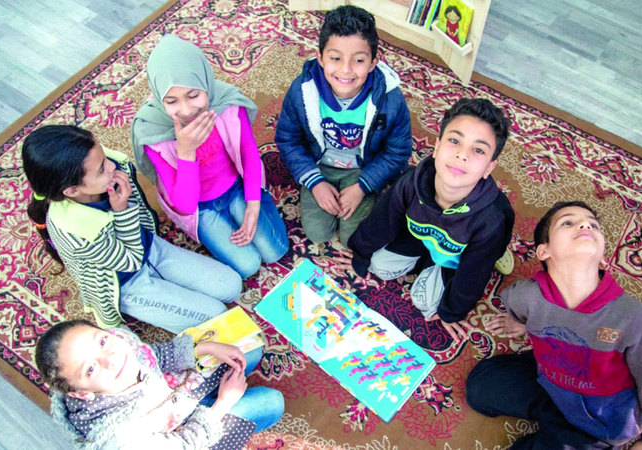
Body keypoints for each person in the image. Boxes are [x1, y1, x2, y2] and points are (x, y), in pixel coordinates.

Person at [467, 201, 642, 449]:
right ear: (544, 251)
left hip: (599, 420)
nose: (585, 225)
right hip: (551, 385)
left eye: (593, 225)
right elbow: (515, 307)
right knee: (479, 387)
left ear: (602, 259)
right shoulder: (525, 296)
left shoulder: (631, 317)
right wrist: (521, 324)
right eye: (568, 222)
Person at [23, 125, 241, 333]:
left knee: (231, 286)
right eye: (101, 169)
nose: (111, 166)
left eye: (104, 158)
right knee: (216, 314)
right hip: (125, 282)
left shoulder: (106, 167)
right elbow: (131, 261)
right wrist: (122, 211)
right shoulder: (75, 231)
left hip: (149, 247)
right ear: (72, 190)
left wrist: (137, 216)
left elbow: (141, 213)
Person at [337, 98, 514, 343]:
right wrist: (360, 253)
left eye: (478, 150)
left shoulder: (490, 220)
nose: (462, 154)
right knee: (378, 266)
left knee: (427, 303)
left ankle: (493, 253)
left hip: (457, 257)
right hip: (423, 235)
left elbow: (472, 276)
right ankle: (425, 257)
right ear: (437, 147)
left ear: (489, 168)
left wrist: (452, 312)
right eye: (455, 141)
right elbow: (383, 219)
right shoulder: (412, 182)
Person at [131, 34, 288, 279]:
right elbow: (185, 205)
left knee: (276, 251)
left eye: (194, 95)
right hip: (199, 209)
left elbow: (248, 154)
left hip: (235, 188)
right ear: (160, 98)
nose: (186, 110)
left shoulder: (227, 104)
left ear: (206, 82)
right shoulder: (153, 133)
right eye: (171, 101)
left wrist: (253, 204)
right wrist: (186, 152)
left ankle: (249, 207)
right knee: (248, 266)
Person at [274, 5, 413, 247]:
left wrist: (363, 186)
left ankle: (372, 193)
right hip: (319, 164)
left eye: (358, 60)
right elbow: (288, 139)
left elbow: (398, 151)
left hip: (363, 168)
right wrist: (314, 182)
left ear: (373, 62)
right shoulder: (301, 91)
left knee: (353, 240)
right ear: (320, 58)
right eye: (335, 58)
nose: (346, 70)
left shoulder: (390, 99)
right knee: (317, 233)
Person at [36, 319, 284, 448]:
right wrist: (222, 404)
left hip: (171, 401)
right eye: (90, 369)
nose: (110, 358)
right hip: (182, 439)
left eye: (101, 342)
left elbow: (152, 356)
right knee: (272, 403)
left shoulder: (117, 342)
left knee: (248, 350)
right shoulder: (121, 439)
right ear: (81, 394)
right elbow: (186, 444)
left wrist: (203, 348)